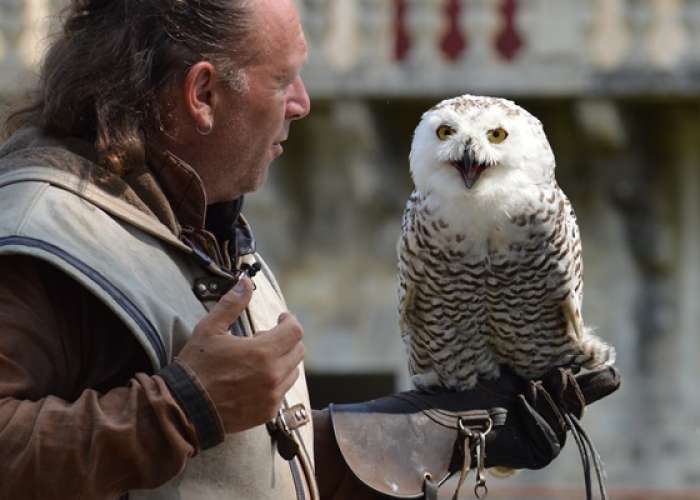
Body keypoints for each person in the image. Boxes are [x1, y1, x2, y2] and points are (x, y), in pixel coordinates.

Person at [0, 1, 619, 499]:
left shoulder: (194, 225)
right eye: (283, 78)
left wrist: (444, 431)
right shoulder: (42, 233)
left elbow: (237, 469)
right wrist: (183, 407)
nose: (303, 102)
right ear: (203, 94)